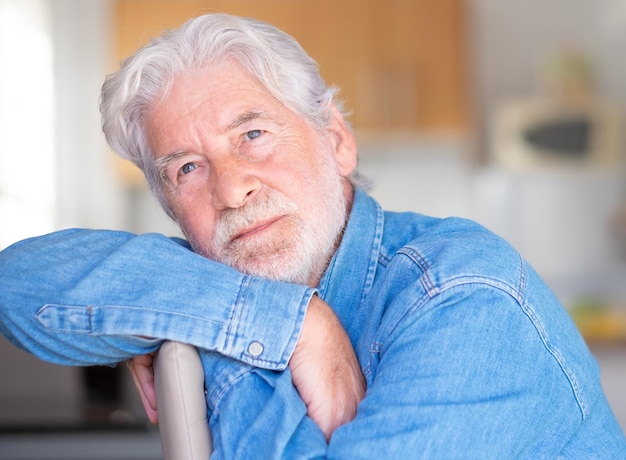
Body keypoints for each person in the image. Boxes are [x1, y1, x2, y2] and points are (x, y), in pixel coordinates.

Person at [0, 13, 624, 458]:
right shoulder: (218, 278)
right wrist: (292, 322)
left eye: (252, 135)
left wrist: (213, 336)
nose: (231, 189)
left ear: (337, 140)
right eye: (187, 167)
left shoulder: (465, 296)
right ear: (170, 206)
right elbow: (16, 283)